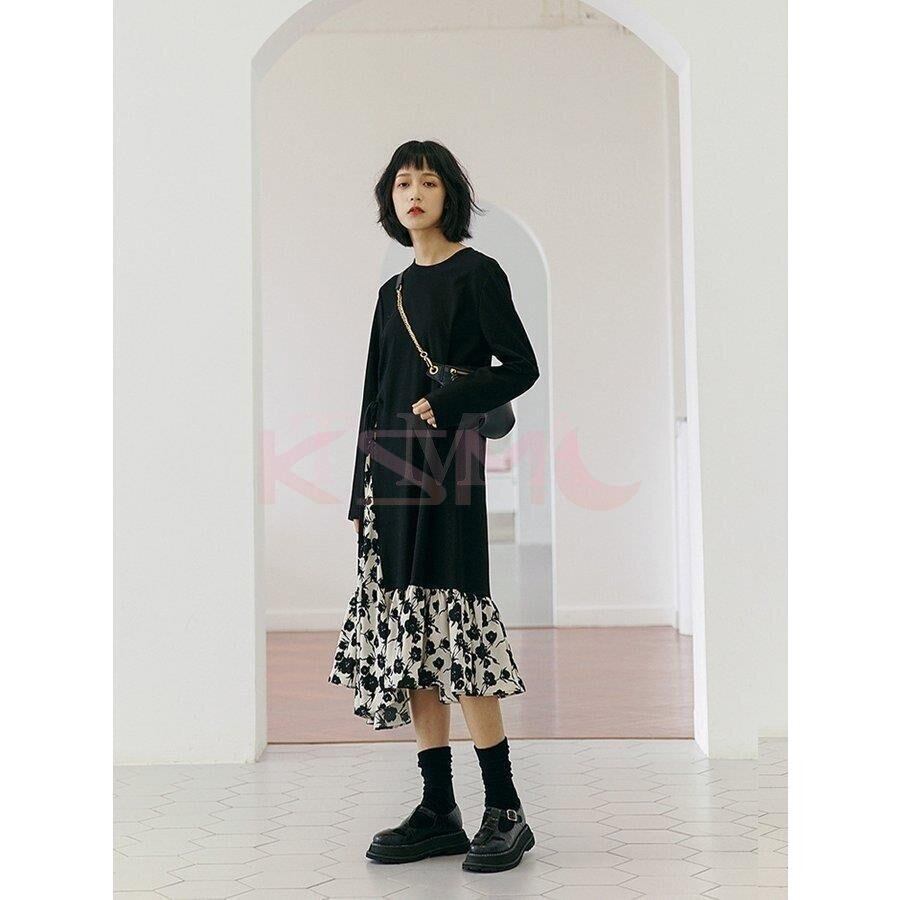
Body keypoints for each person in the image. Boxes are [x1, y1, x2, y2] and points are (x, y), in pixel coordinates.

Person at [328, 140, 540, 873]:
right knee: (413, 634)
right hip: (390, 477)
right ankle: (438, 809)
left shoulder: (479, 274)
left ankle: (505, 809)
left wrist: (449, 401)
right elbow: (372, 395)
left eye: (426, 181)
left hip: (450, 470)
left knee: (459, 626)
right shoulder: (390, 293)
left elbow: (521, 367)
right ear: (390, 200)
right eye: (401, 183)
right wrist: (360, 490)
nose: (413, 192)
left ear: (449, 193)